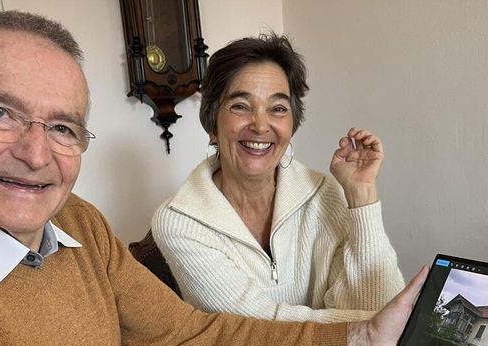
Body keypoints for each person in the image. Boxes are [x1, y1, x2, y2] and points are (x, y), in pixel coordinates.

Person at [0, 11, 427, 346]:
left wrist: (365, 337)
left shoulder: (75, 221)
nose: (35, 154)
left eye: (62, 126)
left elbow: (191, 336)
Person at [152, 34, 405, 324]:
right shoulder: (178, 221)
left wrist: (362, 197)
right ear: (212, 124)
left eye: (278, 109)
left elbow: (380, 306)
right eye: (240, 106)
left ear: (292, 125)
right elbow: (256, 329)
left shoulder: (325, 195)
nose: (260, 125)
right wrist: (369, 329)